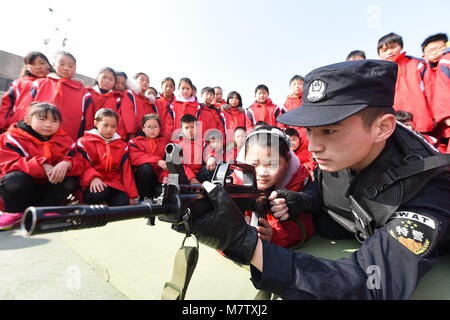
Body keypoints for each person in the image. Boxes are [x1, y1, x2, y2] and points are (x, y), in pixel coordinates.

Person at [173, 59, 450, 300]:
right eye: (310, 130)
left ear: (382, 127)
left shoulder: (428, 188)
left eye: (329, 130)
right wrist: (303, 201)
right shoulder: (340, 155)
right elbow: (329, 191)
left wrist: (245, 244)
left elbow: (365, 286)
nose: (314, 145)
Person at [0, 103, 82, 230]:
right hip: (21, 190)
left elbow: (79, 161)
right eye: (42, 119)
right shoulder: (10, 138)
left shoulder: (64, 140)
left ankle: (46, 211)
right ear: (28, 119)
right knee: (15, 178)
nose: (48, 125)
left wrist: (67, 163)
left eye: (54, 121)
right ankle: (13, 213)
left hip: (47, 189)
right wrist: (41, 165)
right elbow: (7, 164)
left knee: (70, 179)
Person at [235, 126, 314, 248]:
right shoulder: (234, 182)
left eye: (271, 164)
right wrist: (234, 229)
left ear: (287, 161)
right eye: (253, 164)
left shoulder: (298, 180)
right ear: (244, 160)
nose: (261, 172)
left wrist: (274, 235)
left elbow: (307, 225)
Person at [27, 51, 95, 141]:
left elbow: (88, 121)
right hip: (34, 138)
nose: (66, 68)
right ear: (53, 65)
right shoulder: (39, 84)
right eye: (62, 64)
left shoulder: (84, 93)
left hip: (67, 140)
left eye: (71, 66)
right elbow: (25, 108)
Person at [77, 108, 138, 206]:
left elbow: (126, 171)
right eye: (105, 125)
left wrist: (132, 195)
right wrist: (93, 178)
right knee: (99, 194)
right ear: (96, 123)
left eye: (113, 126)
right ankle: (83, 202)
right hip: (92, 182)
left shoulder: (122, 145)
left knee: (123, 202)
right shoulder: (83, 142)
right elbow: (83, 165)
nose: (109, 129)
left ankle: (105, 202)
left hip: (114, 184)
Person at [377, 32, 433, 133]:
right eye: (384, 50)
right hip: (395, 124)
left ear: (401, 46)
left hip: (423, 121)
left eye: (393, 47)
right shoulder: (379, 74)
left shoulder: (418, 64)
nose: (389, 52)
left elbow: (431, 89)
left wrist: (437, 116)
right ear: (379, 54)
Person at [0, 51, 53, 133]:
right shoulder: (18, 84)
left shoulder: (55, 83)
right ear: (27, 67)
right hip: (18, 128)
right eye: (33, 64)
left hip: (45, 129)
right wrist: (2, 126)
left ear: (49, 65)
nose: (38, 67)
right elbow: (6, 107)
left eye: (42, 63)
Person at [86, 67, 135, 141]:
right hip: (89, 134)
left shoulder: (118, 98)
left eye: (111, 79)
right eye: (104, 77)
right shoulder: (87, 93)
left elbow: (123, 119)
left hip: (110, 136)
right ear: (97, 78)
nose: (107, 81)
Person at [128, 114, 168, 200]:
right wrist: (157, 161)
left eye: (155, 127)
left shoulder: (164, 143)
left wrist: (165, 175)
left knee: (163, 194)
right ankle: (144, 198)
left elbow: (167, 162)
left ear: (159, 128)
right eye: (149, 127)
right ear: (143, 128)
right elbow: (135, 157)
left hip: (158, 177)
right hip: (141, 178)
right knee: (145, 167)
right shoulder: (134, 142)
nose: (152, 130)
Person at [421, 33, 450, 143]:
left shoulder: (446, 63)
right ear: (424, 56)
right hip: (434, 125)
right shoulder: (422, 71)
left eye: (439, 48)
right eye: (431, 51)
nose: (436, 53)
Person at [172, 114, 204, 184]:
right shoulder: (177, 145)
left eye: (193, 127)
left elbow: (211, 151)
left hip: (200, 173)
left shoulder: (202, 142)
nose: (190, 130)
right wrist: (191, 177)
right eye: (186, 128)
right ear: (181, 130)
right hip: (186, 175)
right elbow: (180, 164)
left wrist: (211, 157)